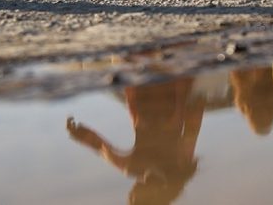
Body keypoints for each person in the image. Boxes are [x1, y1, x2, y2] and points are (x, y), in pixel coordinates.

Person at [66, 77, 205, 205]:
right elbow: (192, 130)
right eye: (133, 199)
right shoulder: (178, 169)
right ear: (153, 196)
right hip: (171, 97)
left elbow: (102, 148)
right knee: (167, 121)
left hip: (143, 98)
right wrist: (190, 94)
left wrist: (79, 134)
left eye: (130, 199)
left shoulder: (132, 167)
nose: (130, 195)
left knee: (146, 120)